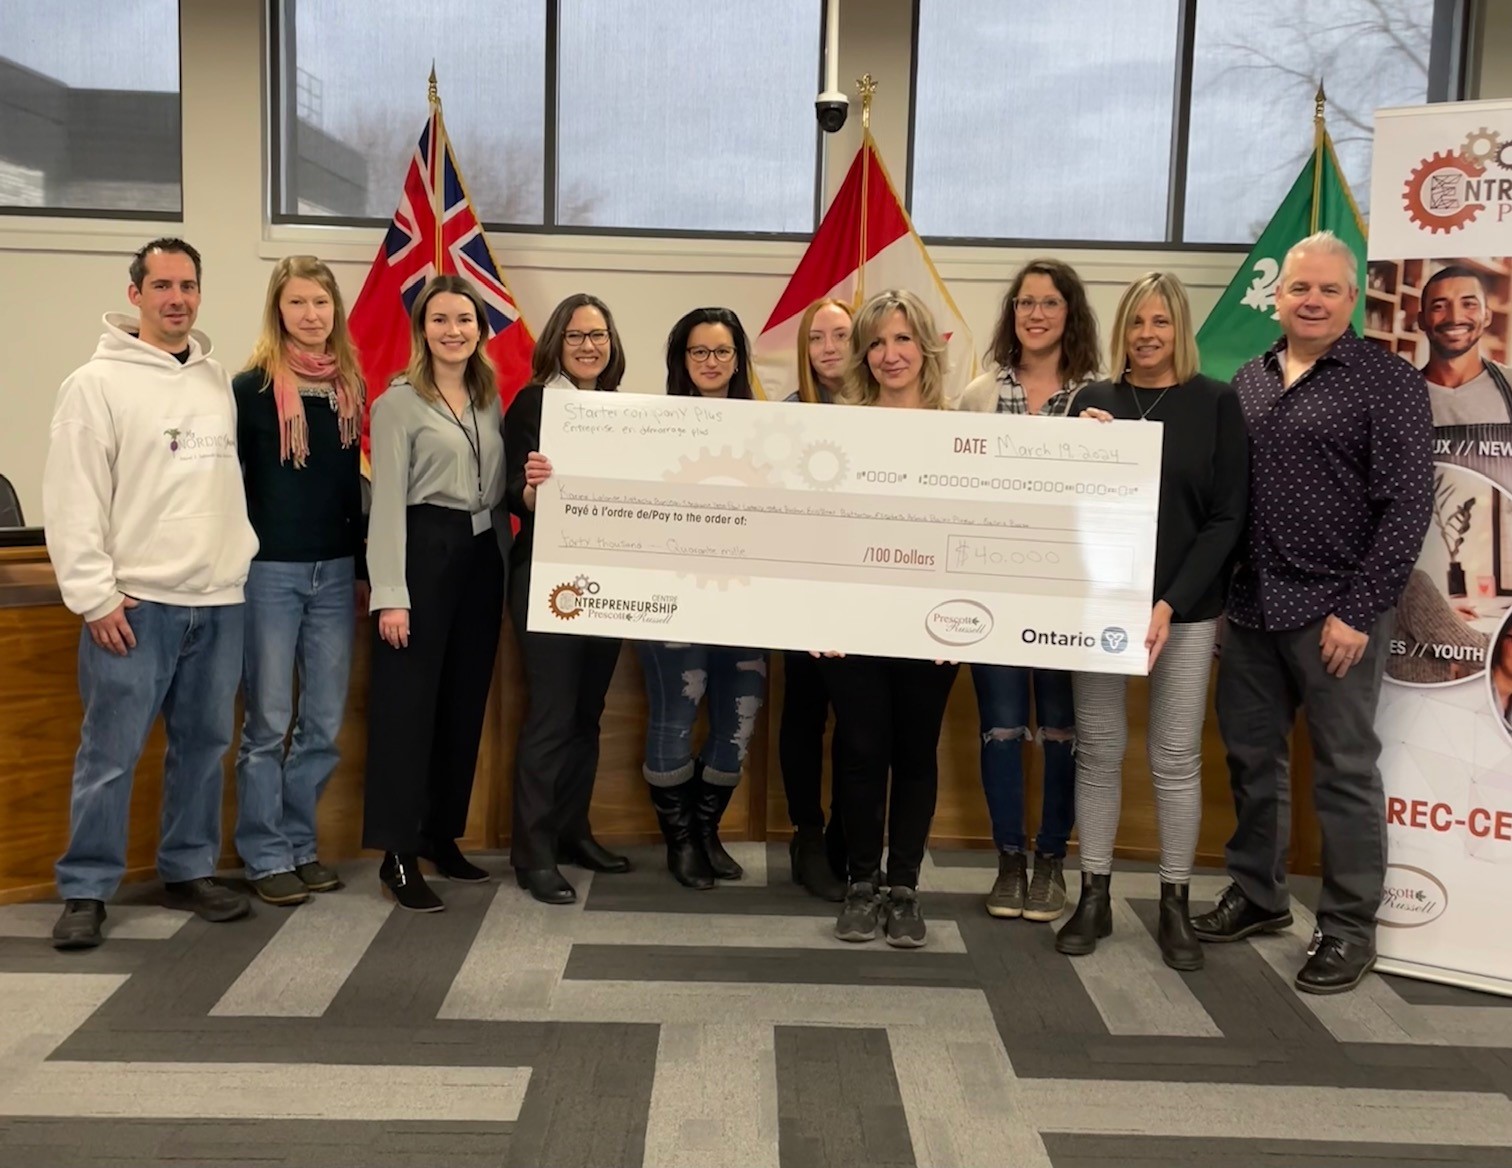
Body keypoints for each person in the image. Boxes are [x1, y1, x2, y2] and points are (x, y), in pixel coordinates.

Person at [1193, 231, 1433, 995]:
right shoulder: (1250, 379)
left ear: (1352, 298)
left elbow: (1407, 506)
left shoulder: (1386, 380)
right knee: (1251, 761)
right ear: (1278, 295)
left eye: (1329, 290)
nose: (1313, 301)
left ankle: (1348, 929)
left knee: (1345, 773)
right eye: (1300, 288)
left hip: (1338, 613)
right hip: (1254, 607)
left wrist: (1359, 610)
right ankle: (1260, 896)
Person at [44, 237, 259, 950]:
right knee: (110, 753)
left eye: (189, 285)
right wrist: (94, 597)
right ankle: (85, 888)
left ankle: (188, 869)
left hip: (219, 600)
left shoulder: (212, 379)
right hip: (136, 606)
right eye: (162, 285)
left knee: (203, 746)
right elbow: (73, 500)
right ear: (134, 294)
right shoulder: (94, 385)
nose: (177, 299)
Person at [1053, 272, 1247, 971]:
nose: (1147, 334)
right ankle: (1094, 894)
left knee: (1174, 759)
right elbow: (1052, 501)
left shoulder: (1217, 403)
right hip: (1100, 610)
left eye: (1161, 322)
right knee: (1099, 752)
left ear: (1180, 329)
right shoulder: (1090, 400)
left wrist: (1168, 603)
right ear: (1121, 329)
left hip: (1187, 612)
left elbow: (1227, 517)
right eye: (1136, 321)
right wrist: (1074, 444)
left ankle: (1173, 903)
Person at [954, 259, 1101, 923]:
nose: (1036, 314)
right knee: (1002, 729)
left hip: (1072, 594)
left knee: (1064, 731)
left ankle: (1052, 861)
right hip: (995, 592)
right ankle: (1009, 861)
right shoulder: (979, 394)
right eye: (1024, 303)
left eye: (1049, 303)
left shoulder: (1102, 394)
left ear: (1071, 312)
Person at [364, 275, 509, 913]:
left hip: (481, 554)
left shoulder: (486, 394)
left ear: (481, 328)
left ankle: (438, 835)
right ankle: (396, 855)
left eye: (466, 320)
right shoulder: (398, 402)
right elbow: (387, 504)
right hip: (423, 549)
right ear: (422, 329)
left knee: (462, 702)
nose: (455, 331)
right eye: (441, 319)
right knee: (407, 709)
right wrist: (391, 594)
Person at [823, 289, 961, 948]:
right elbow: (818, 532)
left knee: (913, 754)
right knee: (858, 750)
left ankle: (903, 887)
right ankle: (859, 883)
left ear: (925, 346)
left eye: (902, 339)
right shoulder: (839, 429)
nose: (889, 354)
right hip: (853, 624)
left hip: (934, 629)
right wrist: (819, 617)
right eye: (876, 342)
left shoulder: (964, 429)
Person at [232, 256, 366, 907]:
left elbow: (354, 491)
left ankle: (299, 845)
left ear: (335, 310)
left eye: (321, 303)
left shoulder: (350, 388)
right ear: (277, 311)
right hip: (270, 577)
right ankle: (263, 855)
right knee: (268, 722)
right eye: (297, 304)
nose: (311, 315)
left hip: (337, 576)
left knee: (321, 723)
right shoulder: (250, 390)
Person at [504, 293, 629, 905]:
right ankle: (533, 853)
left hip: (607, 579)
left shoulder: (619, 411)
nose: (588, 346)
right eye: (576, 335)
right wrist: (534, 492)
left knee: (587, 714)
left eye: (598, 335)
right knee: (552, 716)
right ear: (556, 342)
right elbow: (511, 496)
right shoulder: (535, 402)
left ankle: (574, 830)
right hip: (549, 578)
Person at [640, 307, 768, 890]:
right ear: (682, 360)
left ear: (738, 359)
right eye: (699, 352)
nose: (711, 363)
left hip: (746, 604)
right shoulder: (651, 425)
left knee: (738, 723)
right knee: (675, 718)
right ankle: (682, 841)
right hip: (672, 601)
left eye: (721, 352)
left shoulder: (769, 430)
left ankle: (708, 830)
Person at [779, 297, 852, 902]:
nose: (828, 348)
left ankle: (846, 840)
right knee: (804, 716)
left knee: (859, 724)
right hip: (803, 595)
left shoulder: (892, 411)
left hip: (869, 598)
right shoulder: (788, 417)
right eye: (816, 338)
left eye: (841, 335)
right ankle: (807, 834)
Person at [1417, 264, 1512, 426]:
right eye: (1439, 307)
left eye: (1468, 304)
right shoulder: (1400, 395)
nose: (1454, 318)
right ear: (1422, 321)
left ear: (1487, 316)